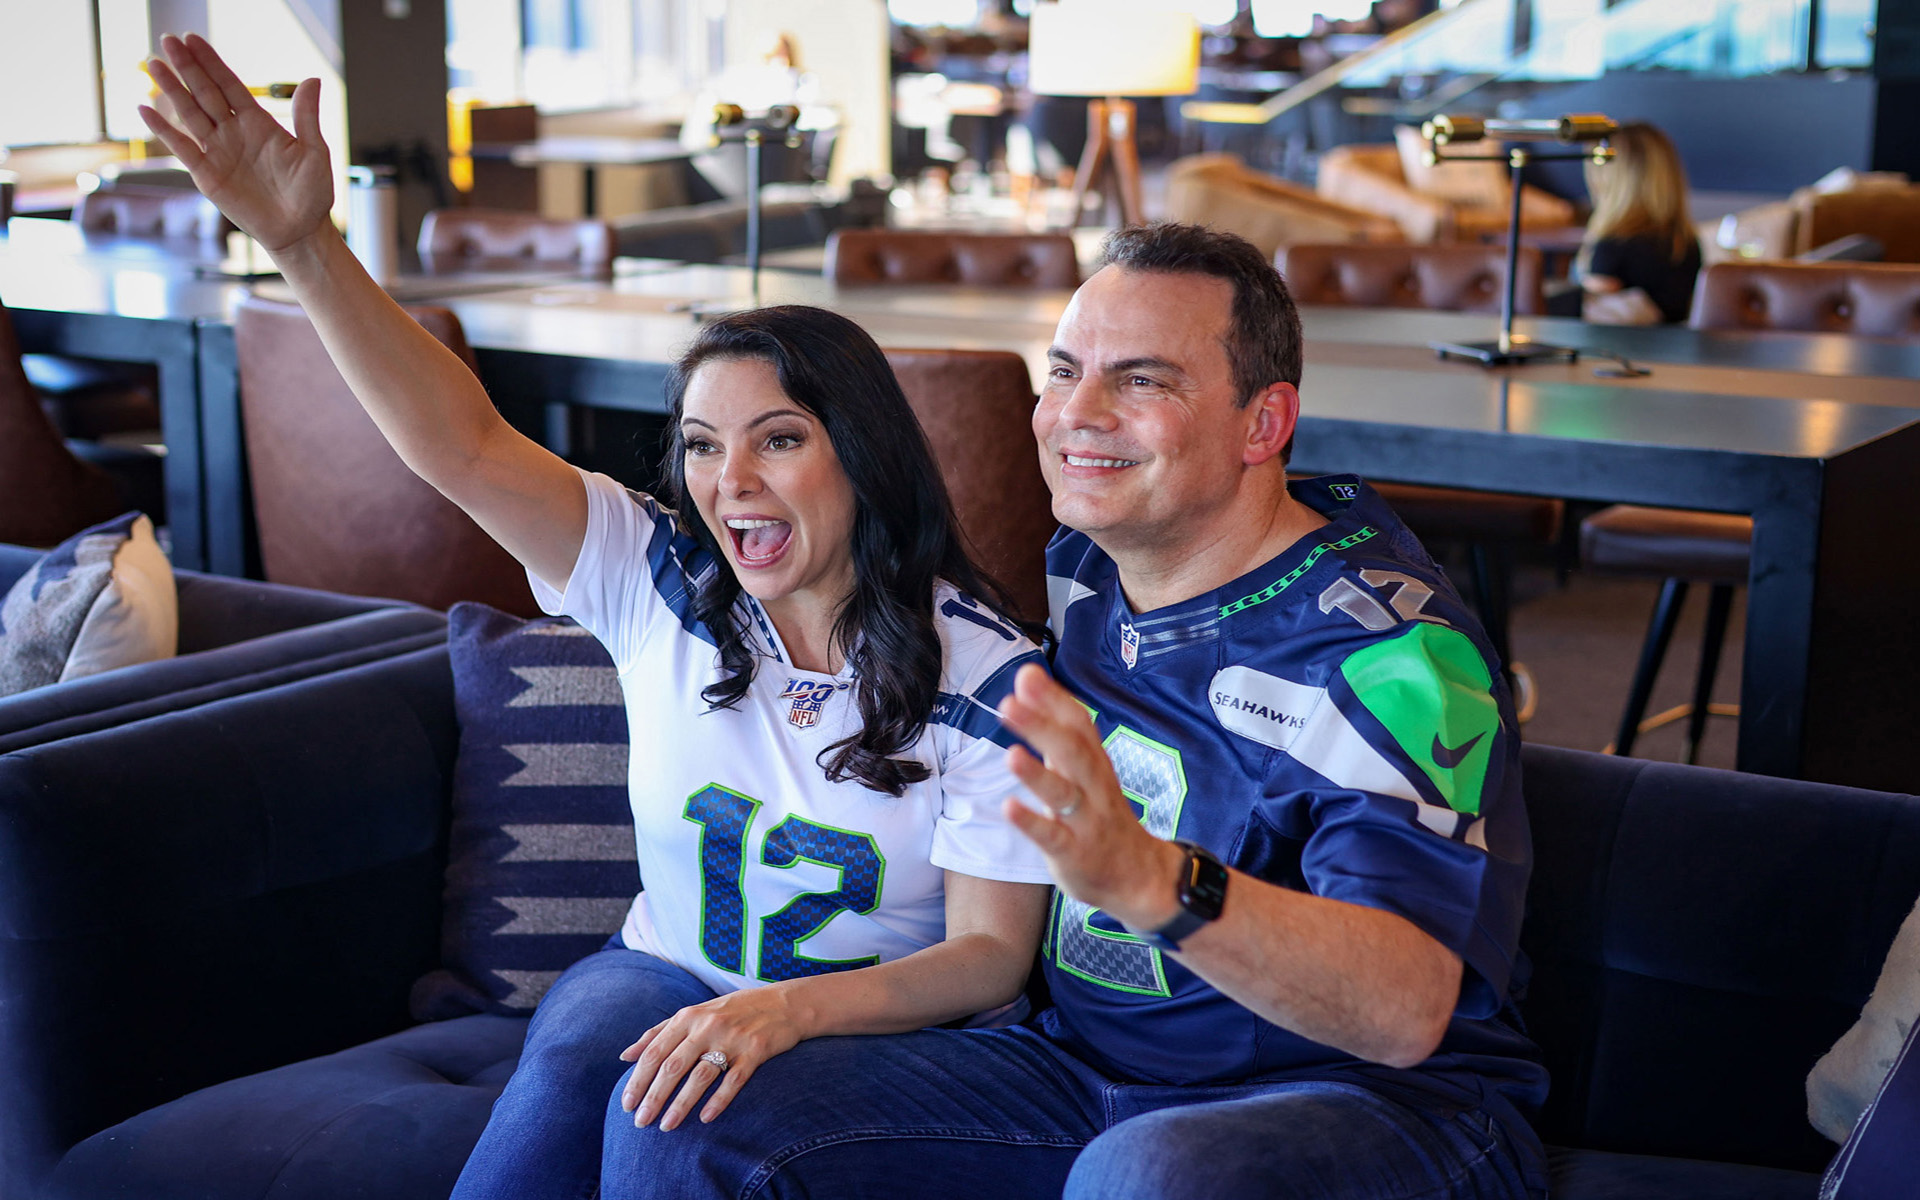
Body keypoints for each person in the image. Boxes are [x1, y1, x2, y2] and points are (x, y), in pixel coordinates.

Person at [136, 33, 1054, 1199]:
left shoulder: (990, 678)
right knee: (580, 1066)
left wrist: (785, 1013)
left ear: (864, 458)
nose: (731, 483)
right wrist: (305, 246)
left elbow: (986, 957)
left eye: (779, 440)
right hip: (665, 974)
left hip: (885, 1037)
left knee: (683, 1119)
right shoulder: (658, 572)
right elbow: (462, 446)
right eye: (704, 447)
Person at [594, 223, 1549, 1200]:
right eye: (1062, 372)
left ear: (1263, 424)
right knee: (693, 1110)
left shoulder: (1395, 663)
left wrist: (1153, 881)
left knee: (1144, 1175)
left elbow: (1405, 1010)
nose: (1076, 415)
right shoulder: (1089, 561)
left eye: (1142, 381)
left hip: (1373, 1107)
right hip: (1078, 1072)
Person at [1578, 122, 1702, 325]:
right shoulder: (1685, 242)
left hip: (1623, 344)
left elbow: (1589, 315)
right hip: (1674, 343)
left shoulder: (1614, 244)